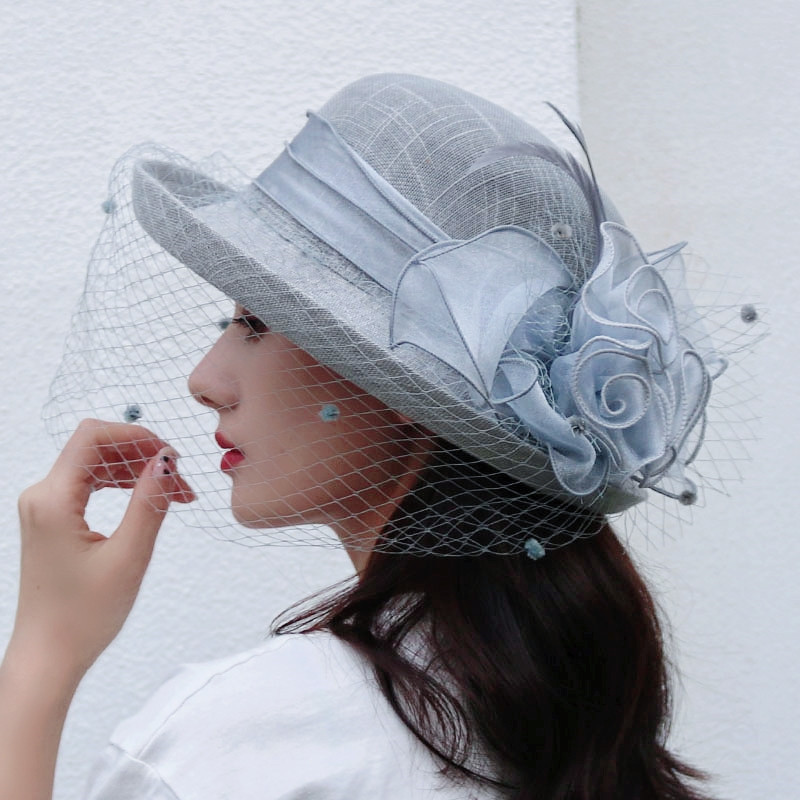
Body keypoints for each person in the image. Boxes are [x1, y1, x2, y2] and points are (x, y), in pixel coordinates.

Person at [0, 73, 756, 799]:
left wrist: (42, 657)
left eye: (256, 324)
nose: (206, 380)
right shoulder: (578, 719)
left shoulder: (240, 746)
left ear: (404, 386)